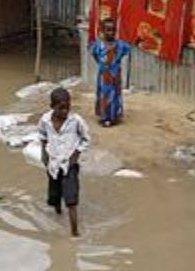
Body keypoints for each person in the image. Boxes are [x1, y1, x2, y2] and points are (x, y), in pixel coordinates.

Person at [38, 87, 90, 237]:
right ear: (52, 107)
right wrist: (44, 154)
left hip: (70, 164)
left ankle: (75, 233)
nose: (65, 111)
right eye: (61, 108)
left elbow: (86, 139)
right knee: (54, 196)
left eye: (67, 107)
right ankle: (57, 210)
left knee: (71, 200)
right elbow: (42, 136)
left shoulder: (76, 121)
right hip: (53, 163)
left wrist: (76, 154)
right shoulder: (45, 120)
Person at [89, 18, 131, 127]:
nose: (111, 32)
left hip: (115, 74)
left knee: (115, 94)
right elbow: (93, 53)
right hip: (103, 74)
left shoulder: (121, 45)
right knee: (103, 94)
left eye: (113, 30)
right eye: (108, 30)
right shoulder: (98, 45)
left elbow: (128, 50)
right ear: (102, 30)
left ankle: (114, 117)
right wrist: (101, 63)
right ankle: (104, 117)